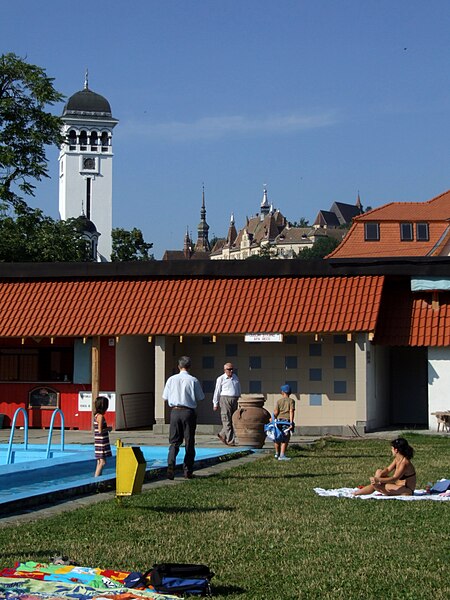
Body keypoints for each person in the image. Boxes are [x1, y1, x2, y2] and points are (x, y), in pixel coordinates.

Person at [163, 356, 205, 480]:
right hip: (188, 412)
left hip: (175, 411)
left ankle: (171, 465)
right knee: (189, 441)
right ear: (189, 366)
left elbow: (165, 396)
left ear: (179, 366)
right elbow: (200, 397)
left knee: (174, 441)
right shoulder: (193, 380)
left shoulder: (171, 379)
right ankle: (188, 470)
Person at [213, 362, 241, 446]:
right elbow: (217, 391)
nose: (231, 371)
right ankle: (230, 440)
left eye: (232, 369)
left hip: (234, 399)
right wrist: (215, 403)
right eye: (229, 369)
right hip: (225, 399)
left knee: (233, 420)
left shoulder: (235, 377)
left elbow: (238, 388)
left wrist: (239, 398)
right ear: (225, 370)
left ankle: (222, 434)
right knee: (226, 419)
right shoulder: (221, 378)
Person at [273, 384, 295, 461]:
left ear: (282, 392)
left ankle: (276, 453)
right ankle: (282, 455)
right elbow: (291, 411)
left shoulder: (279, 401)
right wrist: (291, 422)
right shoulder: (291, 401)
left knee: (277, 437)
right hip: (287, 421)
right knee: (285, 438)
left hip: (278, 421)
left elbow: (276, 412)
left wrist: (273, 418)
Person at [94, 395, 112, 477]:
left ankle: (97, 479)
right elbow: (100, 430)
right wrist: (108, 429)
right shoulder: (100, 417)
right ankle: (96, 479)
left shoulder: (96, 415)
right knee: (103, 462)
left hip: (98, 441)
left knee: (99, 462)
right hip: (101, 441)